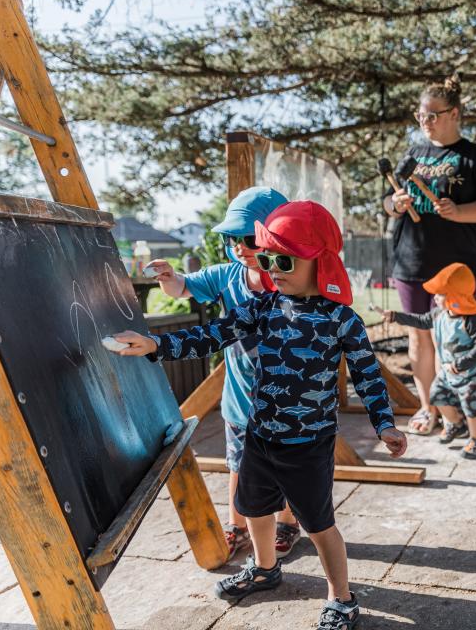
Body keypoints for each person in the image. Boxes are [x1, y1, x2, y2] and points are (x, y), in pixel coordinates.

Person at [113, 201, 407, 628]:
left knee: (320, 525)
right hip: (261, 436)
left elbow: (368, 376)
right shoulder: (263, 307)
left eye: (283, 259)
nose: (273, 269)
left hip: (309, 444)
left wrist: (384, 424)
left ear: (319, 261)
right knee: (252, 507)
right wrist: (158, 346)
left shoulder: (342, 320)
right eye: (267, 259)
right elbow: (212, 334)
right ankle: (266, 568)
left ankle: (341, 598)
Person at [146, 187, 300, 560]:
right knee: (238, 465)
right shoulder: (226, 276)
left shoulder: (290, 276)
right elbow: (184, 287)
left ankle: (288, 522)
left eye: (250, 239)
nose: (240, 247)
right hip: (240, 400)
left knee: (286, 468)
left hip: (286, 404)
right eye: (233, 239)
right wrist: (168, 276)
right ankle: (238, 527)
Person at [384, 74, 476, 436]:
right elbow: (387, 204)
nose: (425, 122)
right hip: (412, 260)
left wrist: (460, 212)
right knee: (419, 336)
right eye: (420, 116)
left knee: (458, 338)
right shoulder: (412, 155)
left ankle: (462, 411)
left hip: (457, 267)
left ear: (454, 113)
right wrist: (396, 203)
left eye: (433, 115)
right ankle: (429, 408)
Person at [383, 263, 476, 459]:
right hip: (448, 372)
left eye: (441, 295)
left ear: (455, 298)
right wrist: (395, 316)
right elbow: (421, 321)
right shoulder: (439, 314)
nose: (435, 298)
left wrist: (461, 363)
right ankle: (456, 424)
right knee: (437, 395)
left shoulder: (471, 320)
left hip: (471, 375)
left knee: (472, 407)